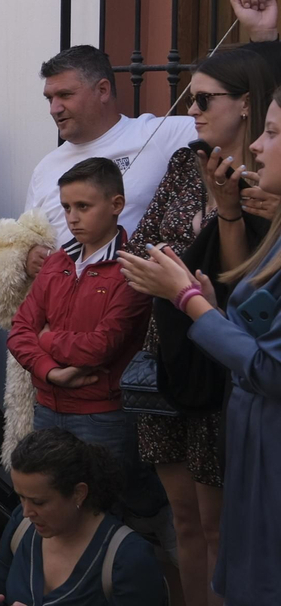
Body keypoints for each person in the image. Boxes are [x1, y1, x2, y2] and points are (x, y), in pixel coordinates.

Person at [119, 47, 274, 606]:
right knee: (181, 519)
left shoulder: (266, 188)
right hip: (172, 352)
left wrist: (210, 232)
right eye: (188, 97)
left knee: (219, 524)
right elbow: (142, 242)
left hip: (223, 361)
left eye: (204, 99)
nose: (191, 109)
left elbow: (241, 287)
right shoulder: (188, 161)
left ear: (246, 104)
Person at [8, 157, 150, 466]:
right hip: (47, 406)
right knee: (54, 502)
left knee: (101, 503)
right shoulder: (57, 262)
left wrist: (46, 340)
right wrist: (52, 372)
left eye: (83, 206)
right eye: (66, 207)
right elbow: (19, 331)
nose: (72, 218)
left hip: (102, 415)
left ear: (117, 204)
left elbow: (101, 346)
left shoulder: (131, 269)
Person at [0, 428, 165, 606]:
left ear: (79, 493)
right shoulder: (20, 528)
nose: (27, 512)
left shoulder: (127, 557)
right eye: (21, 497)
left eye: (39, 502)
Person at [29, 45, 197, 239]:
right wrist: (30, 254)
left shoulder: (156, 134)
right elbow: (26, 238)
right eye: (50, 99)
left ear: (103, 90)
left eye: (65, 95)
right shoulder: (44, 169)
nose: (54, 109)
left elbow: (231, 127)